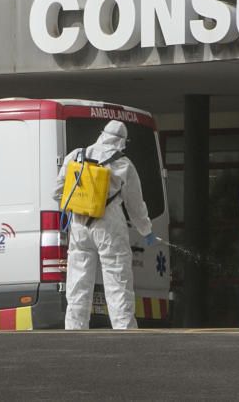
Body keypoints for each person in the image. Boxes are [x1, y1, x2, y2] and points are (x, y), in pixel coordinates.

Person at [53, 120, 156, 330]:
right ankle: (124, 331)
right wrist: (146, 230)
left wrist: (80, 204)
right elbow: (135, 205)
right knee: (118, 282)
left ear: (102, 134)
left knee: (78, 283)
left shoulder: (76, 156)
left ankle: (74, 331)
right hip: (110, 227)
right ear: (123, 142)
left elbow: (56, 192)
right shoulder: (123, 163)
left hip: (80, 225)